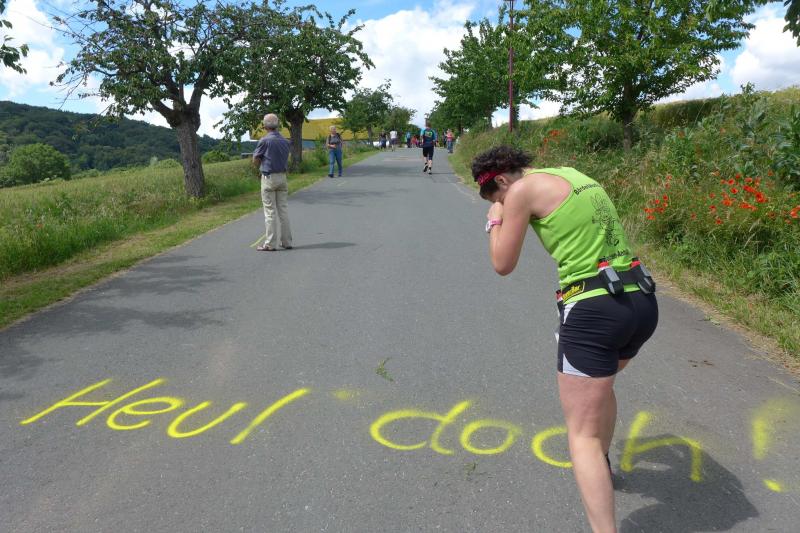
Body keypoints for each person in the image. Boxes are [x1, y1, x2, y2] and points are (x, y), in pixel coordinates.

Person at [472, 146, 658, 533]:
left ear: (502, 180)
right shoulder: (572, 174)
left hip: (593, 310)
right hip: (640, 300)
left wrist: (495, 221)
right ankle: (602, 469)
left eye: (497, 197)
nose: (502, 203)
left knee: (581, 436)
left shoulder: (520, 191)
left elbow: (502, 264)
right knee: (600, 389)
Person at [252, 113, 293, 252]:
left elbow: (256, 159)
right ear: (278, 125)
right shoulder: (285, 141)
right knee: (283, 211)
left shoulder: (264, 141)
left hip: (269, 177)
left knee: (270, 212)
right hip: (282, 177)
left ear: (265, 126)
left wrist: (259, 165)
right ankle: (287, 241)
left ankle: (270, 243)